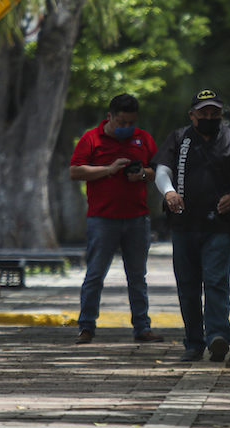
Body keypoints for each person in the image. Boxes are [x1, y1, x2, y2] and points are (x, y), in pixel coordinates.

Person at [153, 90, 230, 363]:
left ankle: (217, 337)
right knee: (188, 286)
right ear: (192, 115)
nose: (209, 118)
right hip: (183, 224)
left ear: (221, 115)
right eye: (204, 113)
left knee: (216, 283)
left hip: (220, 226)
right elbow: (162, 170)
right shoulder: (179, 138)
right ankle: (193, 342)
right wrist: (168, 192)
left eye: (215, 113)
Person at [69, 93, 164, 345]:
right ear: (109, 117)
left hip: (137, 219)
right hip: (102, 219)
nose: (126, 128)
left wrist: (143, 174)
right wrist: (108, 170)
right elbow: (75, 170)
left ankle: (142, 327)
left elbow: (160, 171)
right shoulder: (91, 138)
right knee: (95, 275)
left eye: (130, 123)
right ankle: (86, 326)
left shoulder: (143, 138)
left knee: (137, 276)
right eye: (121, 123)